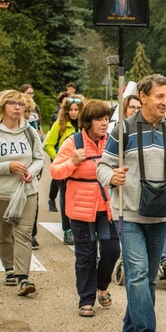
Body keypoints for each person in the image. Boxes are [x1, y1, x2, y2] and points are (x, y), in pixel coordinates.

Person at [97, 74, 166, 332]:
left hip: (160, 215)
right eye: (160, 96)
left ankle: (131, 324)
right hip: (128, 214)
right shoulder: (124, 130)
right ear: (143, 97)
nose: (165, 102)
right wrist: (113, 177)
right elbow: (102, 167)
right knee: (138, 273)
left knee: (151, 277)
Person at [50, 100, 119, 317]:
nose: (105, 123)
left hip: (106, 206)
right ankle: (86, 299)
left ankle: (102, 285)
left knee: (111, 250)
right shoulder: (74, 142)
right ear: (88, 121)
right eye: (100, 119)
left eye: (107, 119)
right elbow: (55, 171)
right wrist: (72, 161)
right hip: (81, 208)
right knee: (86, 255)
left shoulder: (112, 143)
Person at [0, 90, 44, 294]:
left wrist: (31, 172)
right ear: (2, 106)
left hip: (26, 192)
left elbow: (39, 159)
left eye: (21, 104)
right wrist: (9, 167)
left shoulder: (30, 132)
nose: (17, 107)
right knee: (3, 234)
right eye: (13, 103)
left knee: (23, 234)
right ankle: (9, 270)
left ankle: (23, 278)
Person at [44, 93, 84, 247]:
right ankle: (67, 229)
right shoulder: (59, 125)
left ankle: (79, 226)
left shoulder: (84, 126)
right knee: (65, 198)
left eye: (76, 110)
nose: (73, 112)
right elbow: (48, 144)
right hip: (66, 168)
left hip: (80, 167)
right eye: (71, 110)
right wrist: (58, 158)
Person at [23, 99, 42, 249]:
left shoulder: (32, 122)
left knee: (33, 200)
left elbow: (39, 150)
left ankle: (32, 234)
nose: (27, 115)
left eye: (29, 111)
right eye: (25, 111)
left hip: (31, 170)